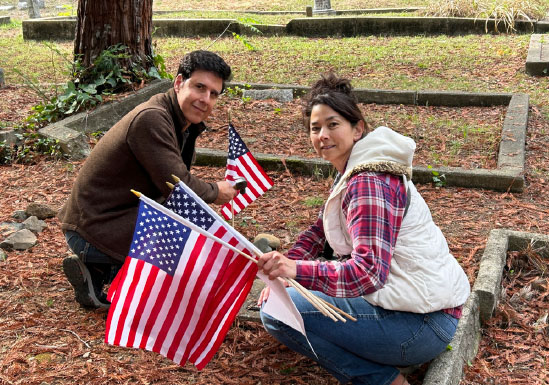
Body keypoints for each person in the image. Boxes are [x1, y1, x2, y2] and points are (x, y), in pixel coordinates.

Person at [257, 73, 471, 385]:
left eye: (333, 124)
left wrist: (295, 272)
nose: (323, 135)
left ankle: (381, 379)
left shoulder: (368, 183)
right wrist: (286, 272)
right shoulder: (355, 169)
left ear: (357, 129)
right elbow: (319, 231)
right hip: (423, 311)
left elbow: (368, 273)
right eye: (315, 128)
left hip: (419, 326)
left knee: (277, 314)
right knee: (284, 299)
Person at [59, 50, 239, 308]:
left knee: (193, 232)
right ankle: (102, 264)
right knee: (190, 244)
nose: (205, 99)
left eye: (213, 94)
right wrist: (215, 191)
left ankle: (98, 271)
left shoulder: (178, 120)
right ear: (178, 83)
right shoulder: (153, 118)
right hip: (91, 228)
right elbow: (179, 186)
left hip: (110, 219)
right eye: (199, 87)